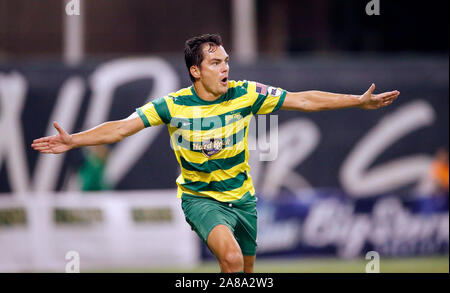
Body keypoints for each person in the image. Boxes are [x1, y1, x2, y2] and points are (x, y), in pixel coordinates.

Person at [31, 34, 400, 273]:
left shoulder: (246, 93)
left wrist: (357, 101)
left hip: (243, 198)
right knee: (232, 259)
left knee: (246, 273)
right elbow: (122, 127)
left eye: (226, 61)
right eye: (215, 63)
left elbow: (303, 99)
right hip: (200, 199)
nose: (225, 68)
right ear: (196, 71)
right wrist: (74, 140)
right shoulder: (172, 105)